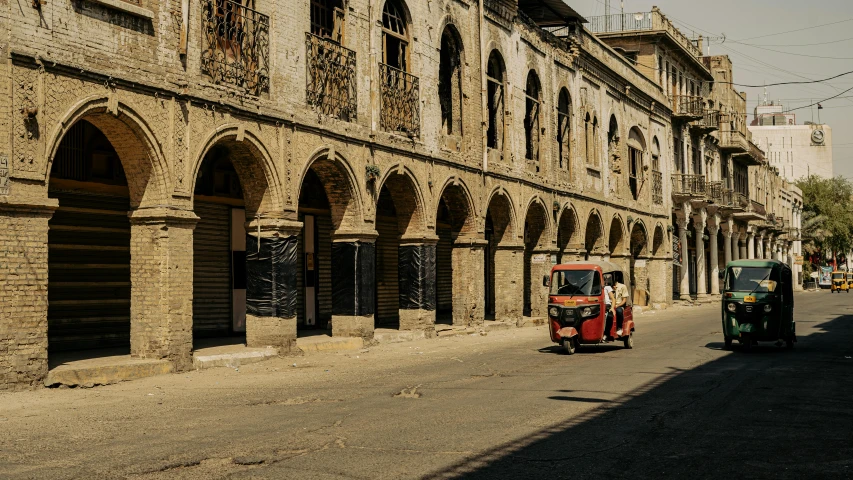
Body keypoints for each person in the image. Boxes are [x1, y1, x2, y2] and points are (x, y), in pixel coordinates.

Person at [603, 274, 615, 340]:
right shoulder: (595, 287)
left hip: (607, 305)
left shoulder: (607, 288)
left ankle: (606, 334)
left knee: (610, 317)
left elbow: (613, 299)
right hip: (599, 305)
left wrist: (612, 308)